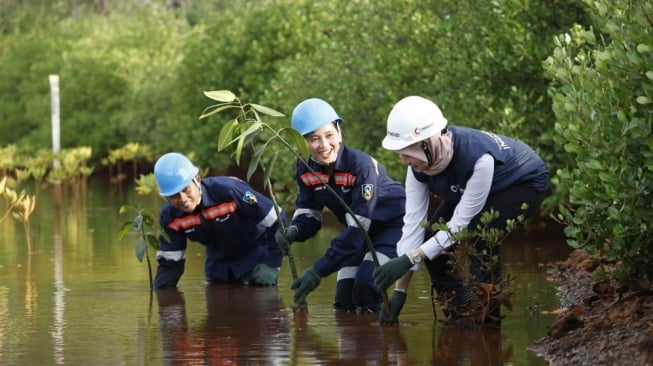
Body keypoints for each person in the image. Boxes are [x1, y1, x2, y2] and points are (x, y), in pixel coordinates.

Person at [373, 95, 549, 324]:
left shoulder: (478, 159)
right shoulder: (416, 167)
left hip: (523, 182)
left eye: (406, 152)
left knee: (480, 236)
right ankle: (460, 311)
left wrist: (411, 257)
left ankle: (487, 318)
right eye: (400, 154)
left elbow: (459, 226)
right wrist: (400, 291)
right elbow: (413, 226)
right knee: (431, 240)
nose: (403, 161)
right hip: (475, 187)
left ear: (428, 142)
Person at [275, 98, 406, 314]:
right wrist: (294, 230)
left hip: (392, 228)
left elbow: (358, 230)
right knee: (344, 298)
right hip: (358, 234)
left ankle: (382, 337)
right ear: (300, 143)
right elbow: (309, 214)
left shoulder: (360, 166)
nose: (324, 146)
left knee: (366, 284)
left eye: (329, 135)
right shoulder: (306, 170)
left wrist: (317, 271)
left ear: (339, 132)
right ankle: (355, 344)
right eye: (314, 139)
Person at [153, 152, 285, 289]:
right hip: (218, 269)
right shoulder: (170, 217)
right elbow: (170, 263)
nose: (183, 199)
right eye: (174, 196)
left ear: (197, 180)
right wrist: (159, 297)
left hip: (256, 259)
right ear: (166, 197)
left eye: (186, 190)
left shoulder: (231, 191)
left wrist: (273, 264)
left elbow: (277, 219)